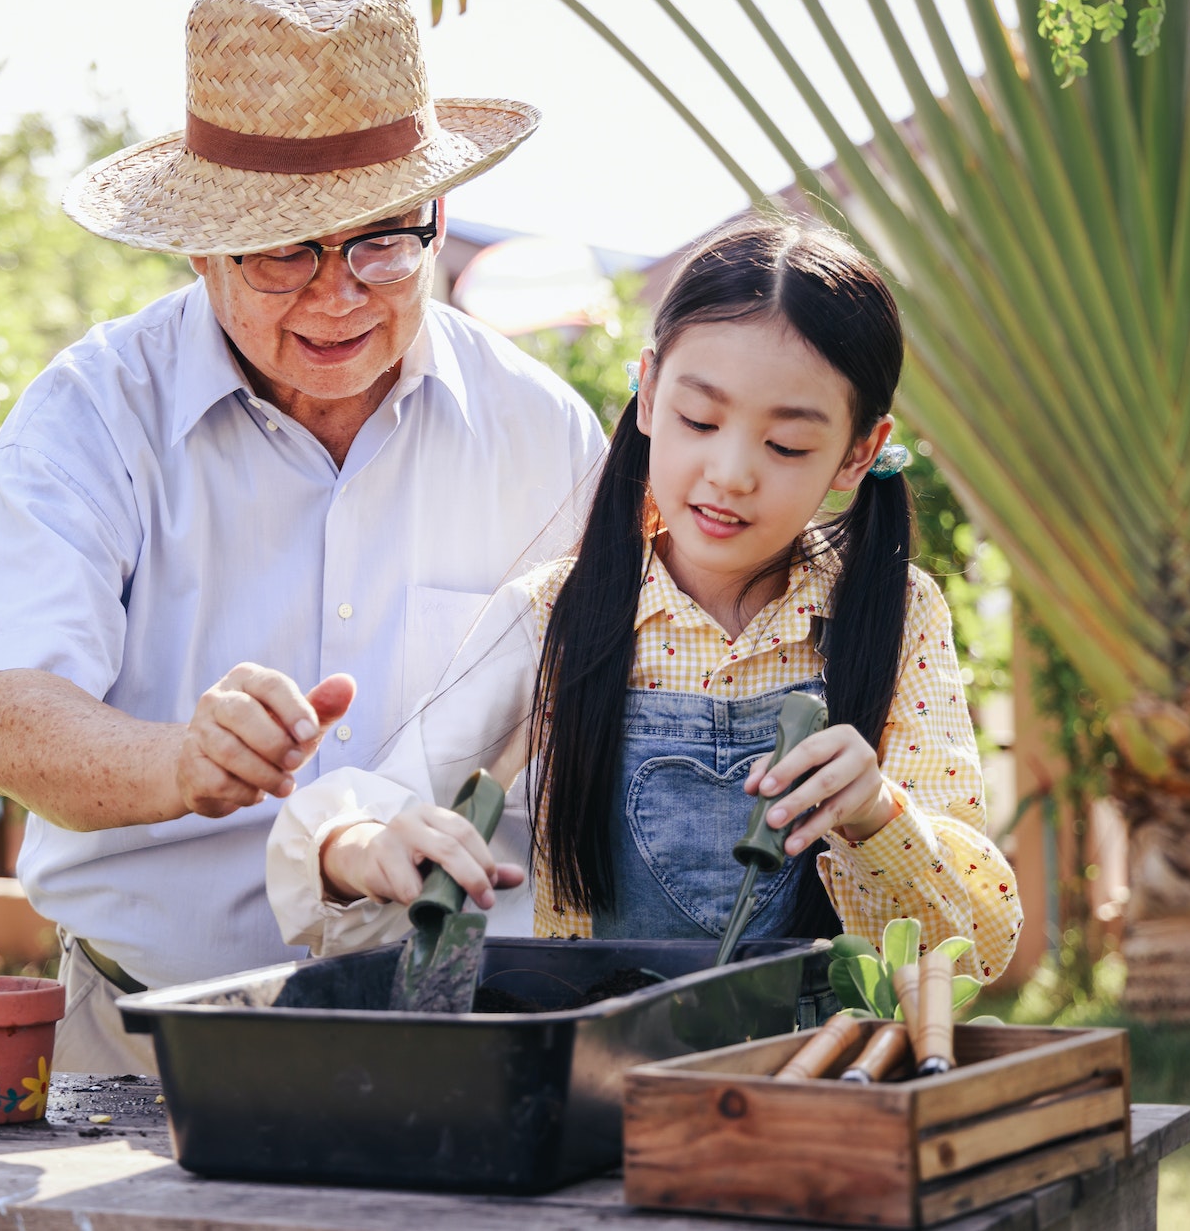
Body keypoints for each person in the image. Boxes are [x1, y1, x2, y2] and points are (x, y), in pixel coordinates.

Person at [0, 0, 607, 1072]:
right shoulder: (88, 415)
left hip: (457, 1040)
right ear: (198, 248)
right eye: (284, 251)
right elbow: (8, 723)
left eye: (382, 245)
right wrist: (181, 765)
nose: (338, 295)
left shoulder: (543, 435)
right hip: (142, 1044)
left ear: (435, 222)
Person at [270, 217, 1022, 985]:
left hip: (810, 1080)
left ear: (859, 451)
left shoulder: (897, 615)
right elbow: (380, 810)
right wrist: (357, 847)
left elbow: (977, 945)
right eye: (701, 419)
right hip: (601, 1072)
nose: (731, 472)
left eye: (786, 445)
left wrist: (876, 814)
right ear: (651, 390)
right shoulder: (555, 616)